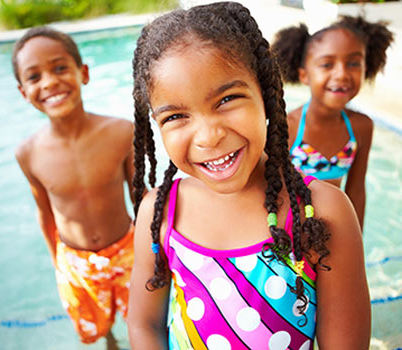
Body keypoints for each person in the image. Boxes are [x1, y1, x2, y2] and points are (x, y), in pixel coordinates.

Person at [127, 2, 370, 349]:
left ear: (266, 93)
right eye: (176, 116)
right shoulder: (161, 211)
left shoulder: (321, 213)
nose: (209, 136)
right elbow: (144, 325)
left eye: (227, 99)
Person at [12, 26, 135, 349]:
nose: (50, 82)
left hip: (128, 250)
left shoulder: (121, 132)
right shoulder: (28, 153)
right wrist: (58, 265)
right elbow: (45, 211)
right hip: (75, 262)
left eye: (59, 68)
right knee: (96, 323)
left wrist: (155, 248)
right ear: (23, 92)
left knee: (142, 320)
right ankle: (109, 338)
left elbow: (141, 195)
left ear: (83, 73)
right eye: (34, 77)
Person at [271, 16, 394, 229]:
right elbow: (272, 194)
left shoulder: (361, 127)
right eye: (327, 64)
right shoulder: (287, 126)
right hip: (294, 233)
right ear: (304, 75)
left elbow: (356, 191)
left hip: (337, 232)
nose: (342, 74)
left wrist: (357, 245)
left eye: (354, 63)